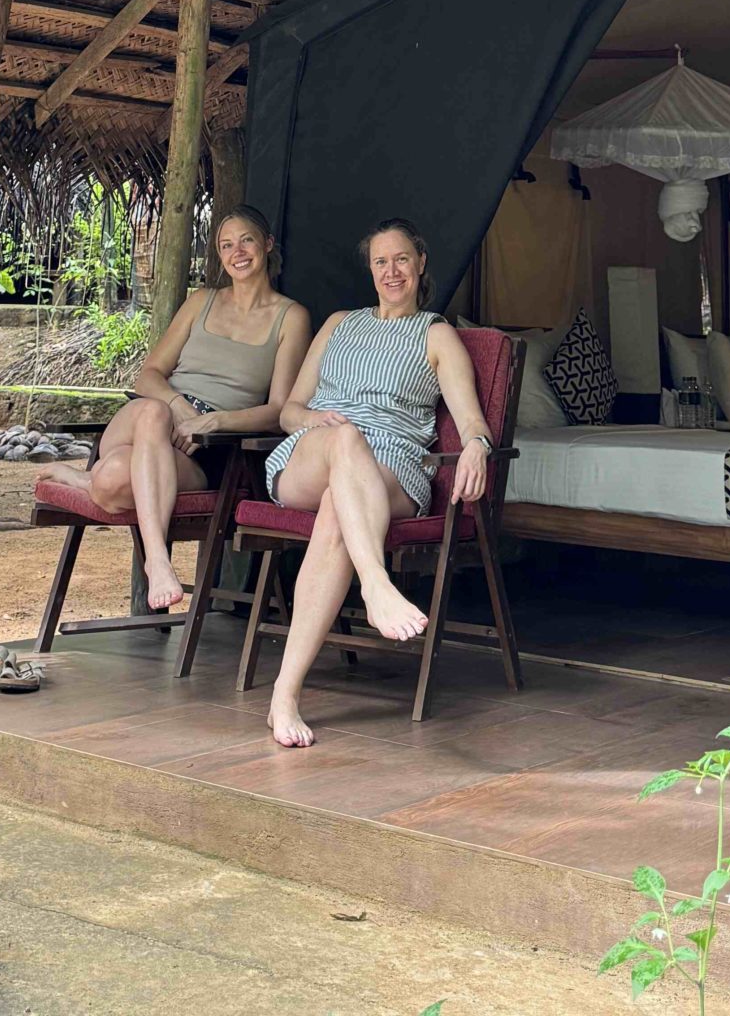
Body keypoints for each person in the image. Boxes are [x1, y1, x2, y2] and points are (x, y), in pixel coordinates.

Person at [260, 218, 493, 748]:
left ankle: (284, 694)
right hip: (314, 451)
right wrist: (313, 422)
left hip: (393, 464)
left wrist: (477, 444)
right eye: (381, 262)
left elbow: (471, 418)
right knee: (344, 441)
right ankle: (376, 585)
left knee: (337, 511)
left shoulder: (436, 334)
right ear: (370, 270)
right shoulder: (339, 323)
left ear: (421, 264)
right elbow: (291, 409)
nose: (392, 271)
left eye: (402, 259)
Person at [85, 205, 309, 613]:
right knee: (153, 413)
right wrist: (179, 408)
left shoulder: (290, 317)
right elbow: (149, 375)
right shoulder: (201, 301)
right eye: (226, 245)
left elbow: (279, 410)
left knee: (114, 480)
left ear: (267, 244)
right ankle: (158, 559)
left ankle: (82, 480)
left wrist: (215, 421)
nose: (237, 251)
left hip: (207, 445)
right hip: (150, 417)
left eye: (246, 240)